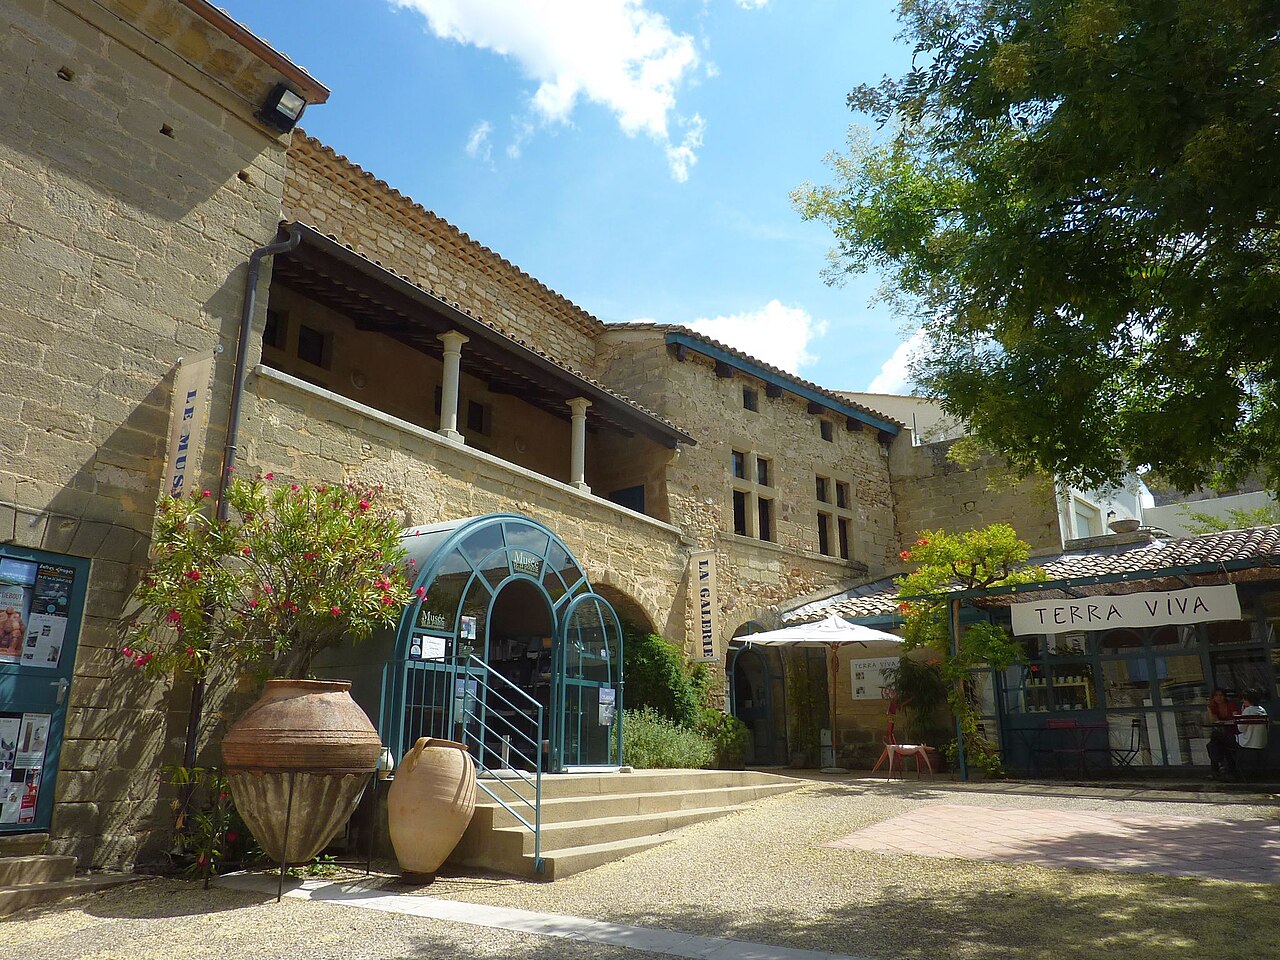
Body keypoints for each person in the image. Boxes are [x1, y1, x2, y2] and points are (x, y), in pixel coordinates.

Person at [1206, 688, 1240, 780]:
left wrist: (1224, 722)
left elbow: (1235, 719)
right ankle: (1218, 769)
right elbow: (1213, 721)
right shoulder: (1215, 707)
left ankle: (1215, 770)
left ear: (1224, 696)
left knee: (1214, 738)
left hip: (1233, 734)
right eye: (1216, 696)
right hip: (1222, 736)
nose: (1218, 698)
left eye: (1220, 695)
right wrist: (1209, 708)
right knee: (1213, 744)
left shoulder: (1230, 705)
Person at [1236, 692, 1269, 778]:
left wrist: (1242, 712)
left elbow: (1241, 729)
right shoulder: (1262, 710)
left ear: (1247, 700)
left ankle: (1224, 768)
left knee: (1217, 737)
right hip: (1261, 742)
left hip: (1248, 741)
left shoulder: (1248, 710)